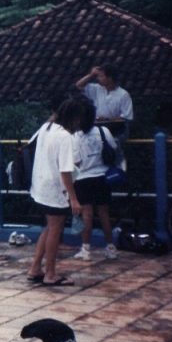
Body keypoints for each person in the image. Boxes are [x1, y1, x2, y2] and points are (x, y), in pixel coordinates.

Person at [25, 97, 85, 286]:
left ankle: (35, 267)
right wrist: (74, 199)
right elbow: (66, 171)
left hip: (41, 186)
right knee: (55, 230)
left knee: (49, 227)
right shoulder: (65, 136)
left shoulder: (47, 128)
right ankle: (50, 273)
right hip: (55, 189)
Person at [71, 100, 120, 261]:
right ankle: (110, 247)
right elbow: (113, 148)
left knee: (87, 214)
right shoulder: (103, 131)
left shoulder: (75, 137)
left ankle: (86, 249)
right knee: (104, 213)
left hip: (84, 179)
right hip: (102, 177)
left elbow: (76, 161)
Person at [75, 64, 133, 145]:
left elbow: (126, 118)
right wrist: (91, 74)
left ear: (110, 78)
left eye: (101, 76)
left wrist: (107, 120)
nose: (98, 79)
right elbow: (79, 85)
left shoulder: (123, 94)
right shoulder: (97, 89)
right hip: (97, 128)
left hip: (117, 130)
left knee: (112, 142)